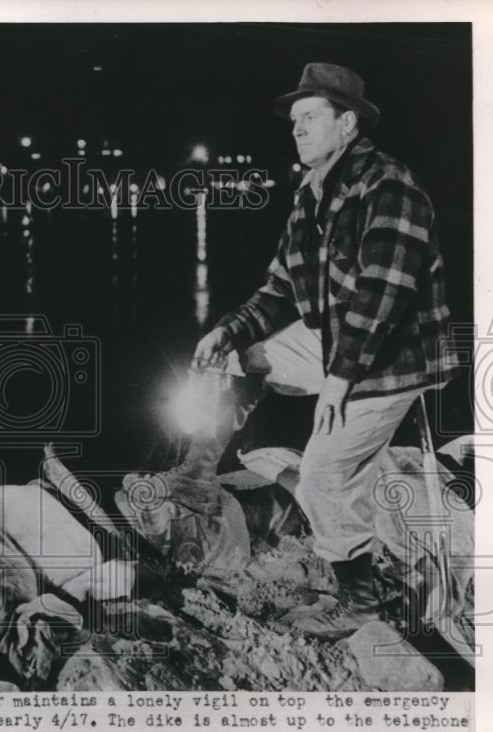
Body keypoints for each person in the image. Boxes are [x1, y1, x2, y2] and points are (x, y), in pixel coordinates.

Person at [192, 63, 454, 639]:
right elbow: (280, 287)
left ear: (348, 123)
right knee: (242, 358)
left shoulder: (389, 185)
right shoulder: (311, 193)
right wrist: (229, 332)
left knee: (321, 474)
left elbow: (383, 292)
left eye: (311, 117)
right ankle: (200, 471)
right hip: (342, 344)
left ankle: (360, 604)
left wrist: (339, 378)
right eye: (294, 121)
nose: (298, 130)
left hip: (392, 357)